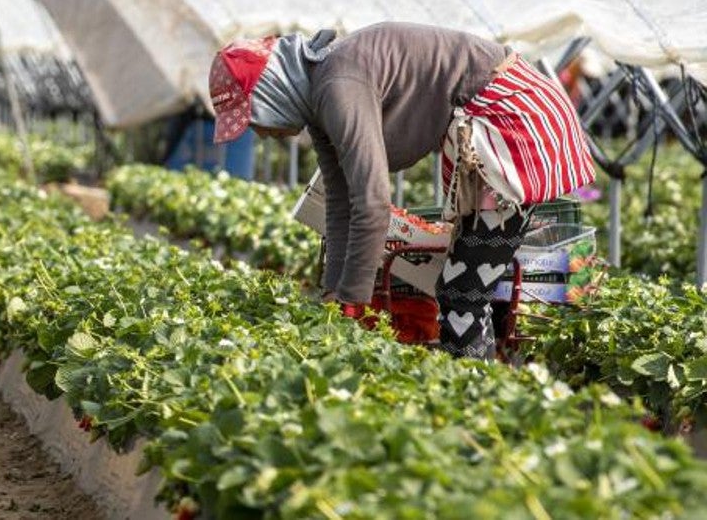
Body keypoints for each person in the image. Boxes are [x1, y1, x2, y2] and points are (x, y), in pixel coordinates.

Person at [209, 22, 595, 359]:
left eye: (254, 118)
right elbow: (341, 203)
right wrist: (333, 294)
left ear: (272, 92)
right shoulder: (321, 99)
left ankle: (480, 397)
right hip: (490, 125)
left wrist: (352, 302)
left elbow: (372, 204)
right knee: (465, 289)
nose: (261, 133)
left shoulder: (338, 86)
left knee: (463, 296)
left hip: (511, 121)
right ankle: (482, 382)